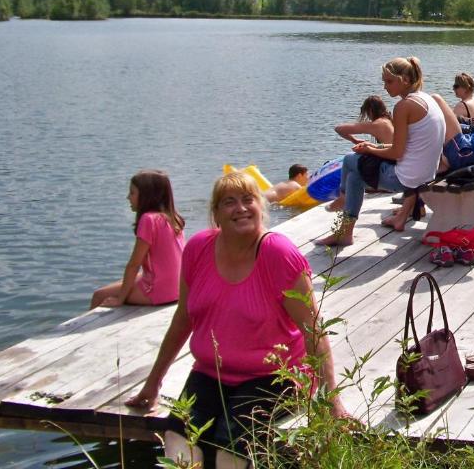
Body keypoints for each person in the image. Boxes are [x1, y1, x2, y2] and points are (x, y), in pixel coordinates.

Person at [125, 172, 352, 468]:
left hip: (275, 377)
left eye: (248, 200)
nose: (241, 208)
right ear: (216, 215)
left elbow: (313, 330)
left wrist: (330, 401)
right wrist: (153, 384)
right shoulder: (198, 249)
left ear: (261, 207)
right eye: (229, 202)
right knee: (177, 438)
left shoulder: (278, 254)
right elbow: (183, 319)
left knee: (229, 448)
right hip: (210, 372)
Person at [319, 57, 445, 243]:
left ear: (406, 80)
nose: (385, 87)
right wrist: (373, 147)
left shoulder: (404, 106)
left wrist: (371, 149)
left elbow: (397, 153)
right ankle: (345, 232)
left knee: (349, 160)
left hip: (408, 178)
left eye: (389, 81)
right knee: (355, 177)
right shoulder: (426, 99)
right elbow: (407, 146)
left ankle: (342, 198)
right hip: (426, 174)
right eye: (384, 81)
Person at [90, 170, 185, 309]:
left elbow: (134, 264)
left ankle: (85, 329)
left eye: (132, 193)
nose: (128, 197)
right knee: (129, 280)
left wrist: (120, 299)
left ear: (147, 196)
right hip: (178, 288)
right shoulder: (172, 217)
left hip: (161, 291)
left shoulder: (149, 220)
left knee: (99, 295)